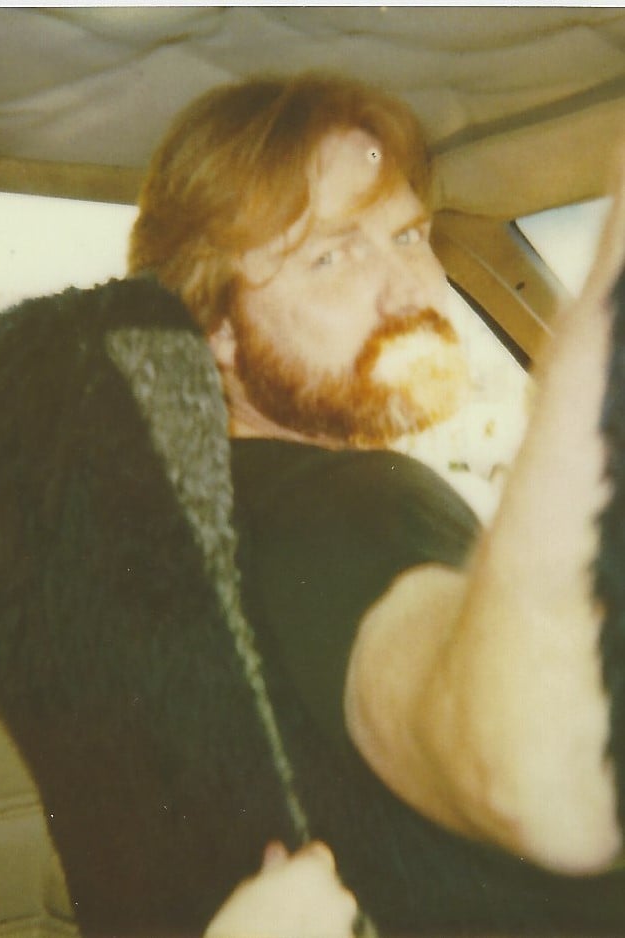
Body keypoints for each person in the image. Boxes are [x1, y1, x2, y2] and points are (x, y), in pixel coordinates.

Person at [127, 72, 625, 934]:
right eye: (332, 256)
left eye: (408, 235)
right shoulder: (340, 507)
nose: (411, 290)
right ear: (215, 329)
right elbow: (538, 775)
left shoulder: (207, 513)